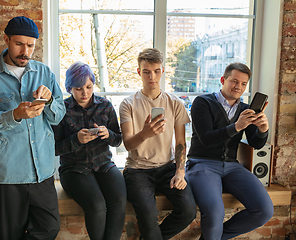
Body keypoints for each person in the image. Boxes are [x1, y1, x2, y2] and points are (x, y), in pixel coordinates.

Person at [0, 16, 66, 240]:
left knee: (49, 228)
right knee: (8, 235)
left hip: (42, 170)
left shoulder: (44, 72)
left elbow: (59, 115)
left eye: (30, 45)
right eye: (19, 44)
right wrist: (14, 115)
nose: (25, 51)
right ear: (6, 40)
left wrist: (50, 102)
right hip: (6, 172)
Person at [185, 62, 274, 240]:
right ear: (223, 80)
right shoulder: (202, 102)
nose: (238, 87)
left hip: (232, 166)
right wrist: (237, 126)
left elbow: (255, 144)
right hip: (202, 163)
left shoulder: (245, 109)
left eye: (243, 84)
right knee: (214, 212)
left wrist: (263, 130)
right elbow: (206, 139)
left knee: (264, 210)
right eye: (234, 81)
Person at [119, 48, 197, 240]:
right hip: (137, 170)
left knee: (188, 211)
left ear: (162, 71)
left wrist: (180, 171)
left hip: (168, 168)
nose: (151, 76)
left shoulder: (175, 102)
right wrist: (145, 133)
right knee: (148, 217)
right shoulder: (128, 104)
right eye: (146, 71)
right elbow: (128, 144)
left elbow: (180, 142)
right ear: (139, 72)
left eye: (156, 71)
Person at [52, 62, 126, 240]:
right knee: (97, 205)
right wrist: (76, 140)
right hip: (73, 169)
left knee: (119, 201)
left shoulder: (105, 106)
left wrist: (108, 134)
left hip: (104, 164)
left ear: (93, 84)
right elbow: (53, 148)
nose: (85, 93)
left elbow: (118, 139)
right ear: (70, 88)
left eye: (89, 87)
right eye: (78, 88)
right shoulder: (62, 110)